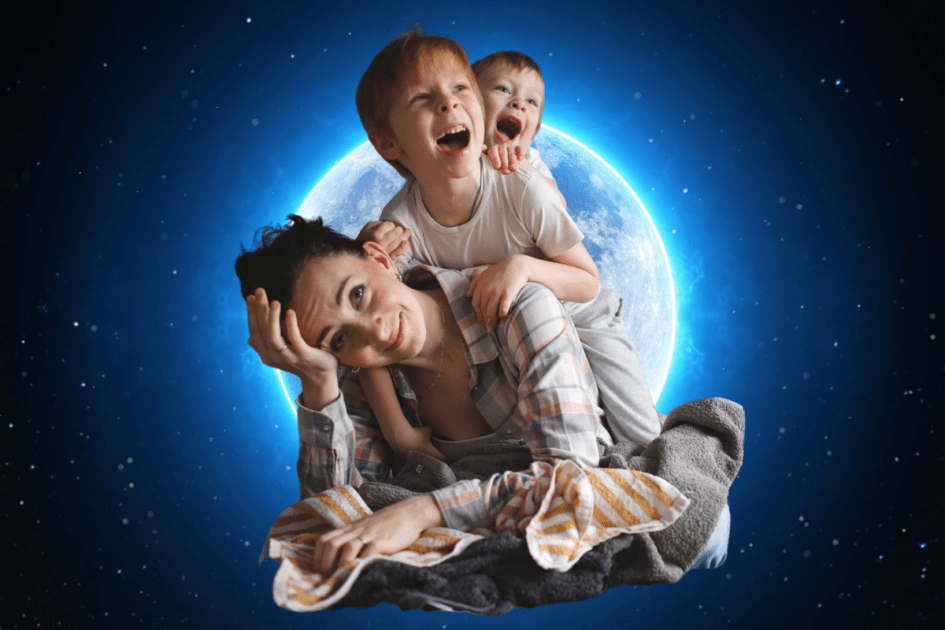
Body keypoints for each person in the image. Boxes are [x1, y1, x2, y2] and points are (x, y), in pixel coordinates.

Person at [239, 215, 635, 575]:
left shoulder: (519, 307)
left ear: (379, 259)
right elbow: (335, 521)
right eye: (340, 338)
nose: (375, 332)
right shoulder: (365, 384)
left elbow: (571, 481)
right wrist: (318, 384)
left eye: (358, 294)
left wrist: (424, 512)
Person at [354, 31, 662, 461]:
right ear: (389, 143)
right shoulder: (402, 226)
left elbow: (588, 283)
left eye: (460, 89)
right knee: (536, 437)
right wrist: (398, 430)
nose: (449, 104)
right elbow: (370, 334)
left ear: (477, 108)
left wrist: (523, 267)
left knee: (641, 434)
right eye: (423, 98)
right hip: (501, 343)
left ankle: (649, 465)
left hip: (579, 310)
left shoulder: (519, 187)